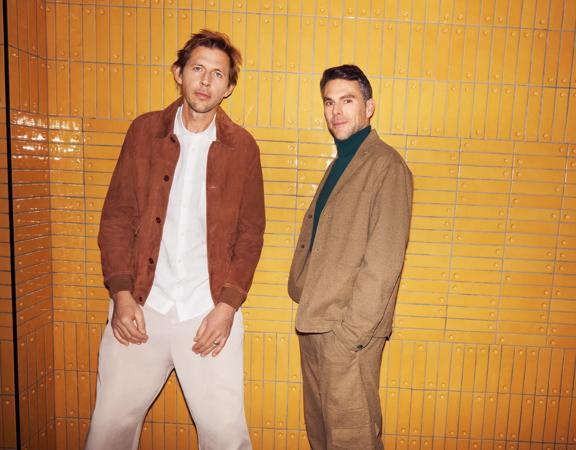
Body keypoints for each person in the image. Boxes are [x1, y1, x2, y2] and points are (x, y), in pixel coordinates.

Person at [85, 29, 265, 450]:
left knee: (225, 434)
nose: (205, 81)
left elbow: (250, 233)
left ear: (229, 88)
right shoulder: (144, 132)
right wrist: (122, 295)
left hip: (209, 312)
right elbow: (115, 218)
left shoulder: (243, 148)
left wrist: (227, 307)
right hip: (142, 308)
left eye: (217, 74)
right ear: (178, 74)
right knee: (109, 425)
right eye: (197, 69)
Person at [288, 65, 413, 450]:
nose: (336, 111)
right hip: (316, 324)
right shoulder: (340, 163)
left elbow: (384, 262)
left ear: (369, 107)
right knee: (323, 437)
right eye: (329, 102)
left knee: (352, 439)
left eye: (347, 100)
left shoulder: (386, 165)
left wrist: (351, 337)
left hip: (347, 334)